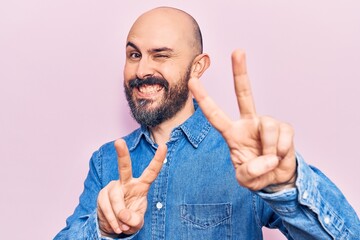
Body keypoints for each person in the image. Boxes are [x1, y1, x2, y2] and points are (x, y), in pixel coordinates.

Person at [55, 6, 359, 240]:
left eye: (160, 55)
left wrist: (288, 184)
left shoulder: (244, 156)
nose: (142, 69)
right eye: (134, 54)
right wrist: (104, 230)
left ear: (197, 67)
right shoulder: (106, 160)